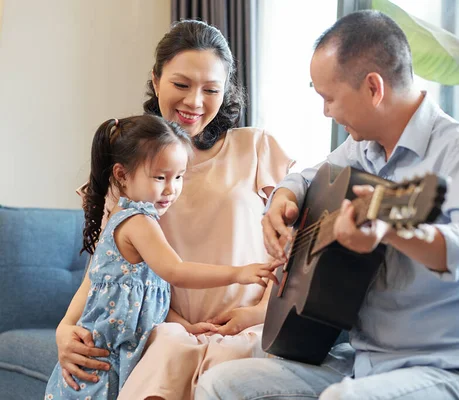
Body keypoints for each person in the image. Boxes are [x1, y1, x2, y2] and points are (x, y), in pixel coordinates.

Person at [194, 10, 459, 400]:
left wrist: (390, 232)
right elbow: (308, 177)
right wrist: (283, 200)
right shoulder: (362, 148)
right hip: (362, 362)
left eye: (330, 98)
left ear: (374, 88)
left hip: (441, 368)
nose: (327, 112)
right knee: (219, 384)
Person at [55, 21, 293, 400]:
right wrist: (65, 328)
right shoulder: (132, 170)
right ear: (156, 78)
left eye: (211, 89)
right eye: (181, 85)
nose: (195, 102)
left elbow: (292, 247)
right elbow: (106, 265)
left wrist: (259, 312)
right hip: (167, 331)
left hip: (250, 327)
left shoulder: (257, 148)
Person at [44, 115, 279, 400]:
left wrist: (185, 326)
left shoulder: (136, 218)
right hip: (104, 360)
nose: (171, 189)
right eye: (160, 178)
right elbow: (175, 271)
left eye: (179, 177)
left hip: (119, 353)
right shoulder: (138, 223)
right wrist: (237, 273)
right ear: (121, 175)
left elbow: (147, 296)